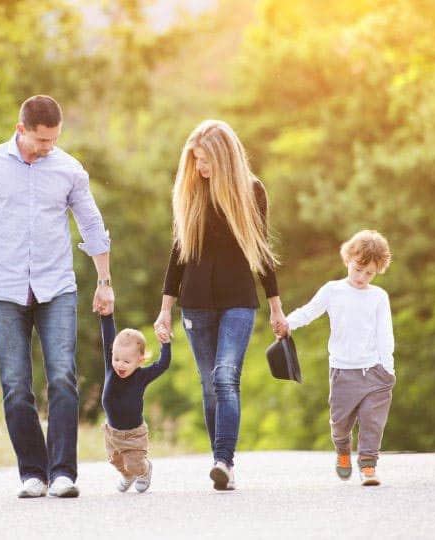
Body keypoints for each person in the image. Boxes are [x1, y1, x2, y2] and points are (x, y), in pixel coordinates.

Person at [0, 95, 114, 499]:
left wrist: (105, 281)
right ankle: (33, 473)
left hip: (57, 287)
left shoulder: (68, 169)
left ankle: (63, 473)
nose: (49, 147)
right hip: (5, 290)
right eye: (41, 140)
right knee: (16, 385)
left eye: (54, 139)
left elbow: (92, 224)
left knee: (63, 378)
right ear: (21, 130)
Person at [153, 119, 287, 491]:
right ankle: (220, 462)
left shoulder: (252, 191)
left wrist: (276, 307)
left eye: (206, 160)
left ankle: (224, 461)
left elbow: (262, 253)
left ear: (225, 158)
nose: (200, 167)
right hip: (195, 303)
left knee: (225, 376)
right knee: (210, 385)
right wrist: (165, 309)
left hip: (238, 301)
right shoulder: (191, 191)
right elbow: (178, 254)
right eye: (195, 160)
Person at [284, 230, 395, 486]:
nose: (362, 277)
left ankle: (368, 466)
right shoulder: (333, 291)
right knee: (340, 424)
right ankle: (343, 450)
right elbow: (309, 312)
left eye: (369, 273)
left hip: (374, 372)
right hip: (343, 372)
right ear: (348, 260)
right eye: (358, 269)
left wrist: (387, 368)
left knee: (372, 422)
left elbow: (385, 334)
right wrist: (286, 324)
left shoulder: (378, 297)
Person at [99, 312, 171, 493]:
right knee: (115, 461)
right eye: (116, 359)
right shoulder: (111, 369)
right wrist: (106, 316)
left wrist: (165, 344)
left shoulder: (142, 376)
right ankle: (127, 476)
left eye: (126, 361)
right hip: (112, 432)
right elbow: (108, 335)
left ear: (140, 360)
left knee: (134, 465)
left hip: (134, 435)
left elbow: (163, 364)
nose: (120, 365)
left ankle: (144, 470)